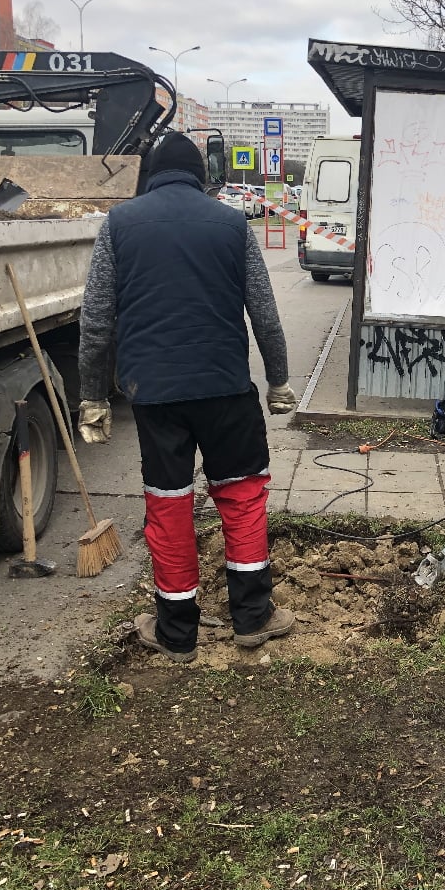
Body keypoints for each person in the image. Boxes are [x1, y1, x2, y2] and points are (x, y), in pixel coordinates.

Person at [77, 132, 299, 664]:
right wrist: (278, 381)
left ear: (151, 176)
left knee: (169, 505)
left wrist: (92, 396)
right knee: (242, 498)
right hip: (226, 389)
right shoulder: (230, 224)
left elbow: (96, 321)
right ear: (202, 177)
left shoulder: (119, 224)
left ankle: (177, 633)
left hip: (154, 397)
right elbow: (264, 314)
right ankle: (253, 618)